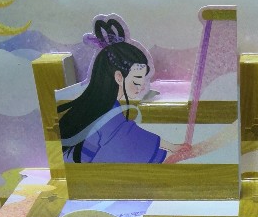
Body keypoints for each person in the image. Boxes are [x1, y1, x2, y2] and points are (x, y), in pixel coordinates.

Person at [59, 16, 184, 165]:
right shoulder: (107, 114)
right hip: (81, 173)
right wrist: (168, 155)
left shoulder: (104, 106)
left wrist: (171, 146)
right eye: (137, 80)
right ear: (119, 77)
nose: (141, 86)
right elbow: (128, 139)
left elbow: (135, 133)